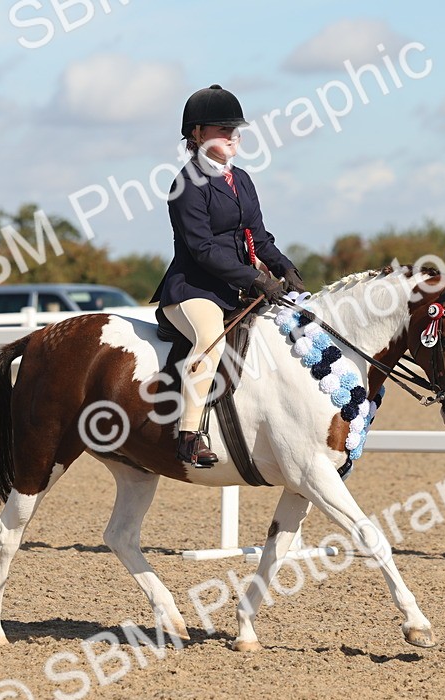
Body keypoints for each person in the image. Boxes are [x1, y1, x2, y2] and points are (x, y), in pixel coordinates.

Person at [152, 84, 304, 468]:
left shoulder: (243, 180)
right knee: (210, 340)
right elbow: (203, 249)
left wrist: (285, 268)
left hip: (234, 287)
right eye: (223, 129)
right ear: (197, 133)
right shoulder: (186, 185)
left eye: (235, 129)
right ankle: (189, 435)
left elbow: (259, 237)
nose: (233, 135)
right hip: (193, 290)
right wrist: (255, 279)